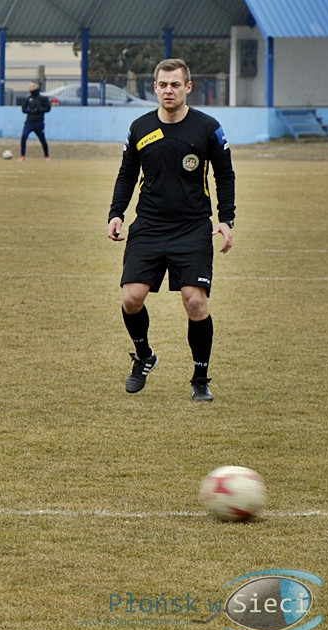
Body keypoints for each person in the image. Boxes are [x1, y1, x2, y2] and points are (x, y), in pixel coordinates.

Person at [107, 58, 235, 402]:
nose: (169, 90)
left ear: (188, 87)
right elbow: (126, 175)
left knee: (195, 302)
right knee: (131, 298)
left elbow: (224, 175)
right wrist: (116, 213)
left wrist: (226, 219)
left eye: (175, 84)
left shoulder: (208, 128)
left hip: (192, 227)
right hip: (148, 225)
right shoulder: (140, 128)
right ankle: (145, 356)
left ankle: (200, 378)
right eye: (163, 85)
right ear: (155, 88)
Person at [19, 80, 50, 161]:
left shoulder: (42, 98)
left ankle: (46, 156)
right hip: (29, 122)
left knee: (42, 139)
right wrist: (30, 111)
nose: (30, 88)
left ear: (36, 87)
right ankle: (22, 155)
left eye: (31, 86)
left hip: (39, 122)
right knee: (24, 136)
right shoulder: (28, 98)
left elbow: (47, 108)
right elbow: (23, 109)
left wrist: (38, 110)